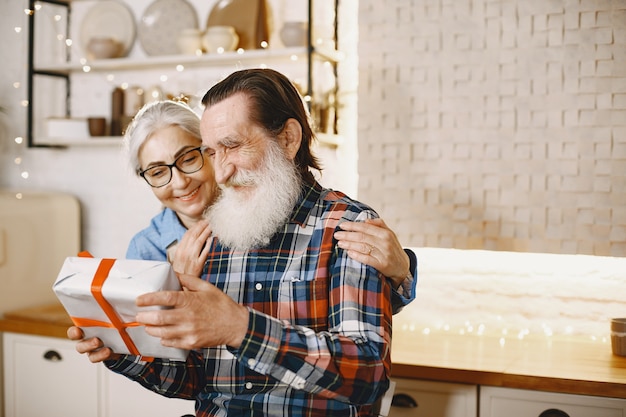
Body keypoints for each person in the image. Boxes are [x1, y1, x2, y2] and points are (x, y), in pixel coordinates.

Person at [69, 69, 412, 416]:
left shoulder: (347, 227)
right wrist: (124, 354)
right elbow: (196, 380)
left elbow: (367, 376)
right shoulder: (213, 235)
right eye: (212, 153)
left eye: (232, 146)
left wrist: (239, 327)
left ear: (289, 139)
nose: (220, 173)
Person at [122, 100, 417, 311]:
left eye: (189, 159)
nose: (180, 182)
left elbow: (345, 310)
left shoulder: (264, 211)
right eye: (158, 172)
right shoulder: (146, 250)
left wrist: (400, 274)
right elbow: (154, 352)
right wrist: (178, 288)